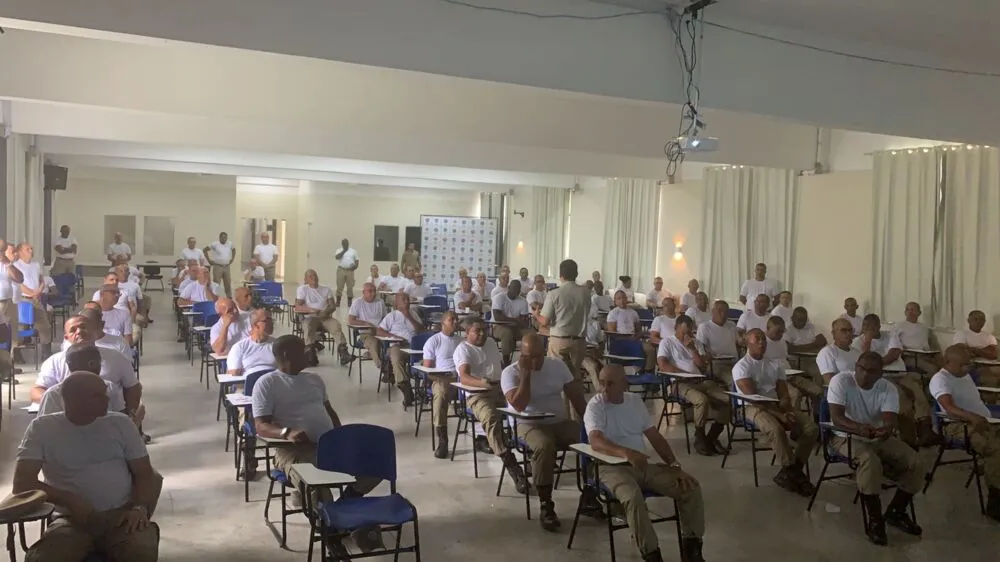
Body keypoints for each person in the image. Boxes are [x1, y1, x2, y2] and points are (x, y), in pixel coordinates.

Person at [251, 335, 383, 554]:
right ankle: (332, 535)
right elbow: (261, 426)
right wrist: (286, 432)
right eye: (303, 350)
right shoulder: (267, 383)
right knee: (315, 480)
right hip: (293, 451)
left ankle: (339, 512)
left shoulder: (314, 379)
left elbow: (329, 411)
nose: (308, 353)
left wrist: (341, 436)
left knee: (373, 464)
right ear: (287, 356)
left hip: (328, 445)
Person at [14, 372, 160, 562]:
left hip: (121, 516)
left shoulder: (121, 424)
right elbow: (22, 483)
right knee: (44, 558)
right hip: (70, 519)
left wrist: (140, 508)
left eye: (105, 393)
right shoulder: (42, 429)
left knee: (140, 552)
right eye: (97, 396)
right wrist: (67, 499)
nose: (106, 399)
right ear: (73, 400)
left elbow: (144, 473)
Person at [586, 364, 706, 562]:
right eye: (602, 383)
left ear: (624, 384)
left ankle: (692, 549)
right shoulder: (596, 405)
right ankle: (651, 554)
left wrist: (675, 466)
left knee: (690, 486)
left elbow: (655, 437)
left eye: (610, 383)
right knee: (633, 497)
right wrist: (626, 453)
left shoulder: (634, 402)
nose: (604, 388)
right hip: (609, 467)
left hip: (640, 464)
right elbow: (595, 441)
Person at [828, 352, 925, 544]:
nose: (864, 374)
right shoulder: (840, 381)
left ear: (881, 373)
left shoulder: (888, 388)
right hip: (845, 436)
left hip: (876, 436)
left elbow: (890, 419)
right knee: (869, 461)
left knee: (917, 463)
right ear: (855, 366)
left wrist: (887, 429)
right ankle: (875, 518)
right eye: (861, 368)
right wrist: (859, 428)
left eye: (871, 371)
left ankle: (897, 510)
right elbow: (837, 418)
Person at [501, 333, 587, 531]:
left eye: (538, 356)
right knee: (544, 445)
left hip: (557, 421)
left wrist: (591, 425)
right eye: (529, 356)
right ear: (520, 354)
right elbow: (520, 405)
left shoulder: (557, 366)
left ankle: (591, 492)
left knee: (590, 439)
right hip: (526, 424)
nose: (535, 361)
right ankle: (546, 503)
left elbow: (576, 398)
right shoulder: (510, 373)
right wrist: (525, 376)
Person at [733, 329, 818, 496]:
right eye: (757, 339)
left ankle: (791, 472)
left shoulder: (774, 364)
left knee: (811, 427)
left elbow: (783, 393)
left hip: (775, 404)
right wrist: (780, 415)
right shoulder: (741, 367)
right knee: (775, 429)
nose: (762, 342)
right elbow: (755, 398)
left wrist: (787, 410)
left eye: (763, 339)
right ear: (747, 343)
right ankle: (794, 473)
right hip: (751, 407)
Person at [452, 316, 528, 486]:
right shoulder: (463, 349)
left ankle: (528, 451)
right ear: (467, 333)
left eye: (484, 330)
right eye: (476, 331)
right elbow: (464, 377)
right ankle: (510, 462)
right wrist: (482, 383)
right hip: (477, 393)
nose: (481, 334)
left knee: (523, 409)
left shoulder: (492, 343)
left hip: (499, 388)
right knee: (491, 417)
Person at [930, 345, 1000, 522]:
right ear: (948, 362)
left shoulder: (964, 375)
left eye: (968, 365)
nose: (966, 369)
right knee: (995, 449)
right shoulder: (940, 380)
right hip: (957, 425)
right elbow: (949, 408)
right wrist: (972, 417)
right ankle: (995, 502)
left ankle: (990, 469)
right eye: (962, 365)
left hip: (984, 420)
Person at [852, 314, 938, 447]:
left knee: (918, 393)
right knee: (902, 398)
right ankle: (908, 438)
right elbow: (865, 362)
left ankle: (925, 428)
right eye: (865, 326)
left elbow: (894, 354)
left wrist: (876, 363)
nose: (868, 329)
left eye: (872, 326)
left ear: (879, 326)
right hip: (882, 377)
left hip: (900, 374)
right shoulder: (857, 342)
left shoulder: (890, 335)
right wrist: (867, 343)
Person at [657, 315, 730, 455]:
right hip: (680, 383)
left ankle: (712, 437)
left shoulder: (695, 343)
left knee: (728, 401)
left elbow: (703, 366)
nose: (686, 335)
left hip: (701, 381)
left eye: (689, 332)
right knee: (701, 400)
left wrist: (692, 349)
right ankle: (700, 437)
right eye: (683, 332)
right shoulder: (666, 342)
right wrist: (685, 374)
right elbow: (663, 365)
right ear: (676, 328)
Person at [533, 259, 590, 420]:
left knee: (558, 379)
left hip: (559, 340)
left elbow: (545, 321)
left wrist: (536, 315)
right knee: (575, 380)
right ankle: (578, 419)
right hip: (579, 341)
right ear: (577, 274)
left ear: (561, 275)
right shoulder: (585, 292)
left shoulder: (554, 293)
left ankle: (562, 418)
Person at [421, 311, 462, 458]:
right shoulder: (434, 341)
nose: (455, 322)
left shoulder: (461, 341)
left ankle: (481, 437)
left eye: (457, 320)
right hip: (441, 378)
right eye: (452, 320)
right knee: (440, 393)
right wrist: (442, 379)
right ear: (443, 323)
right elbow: (428, 371)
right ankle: (443, 439)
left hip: (460, 378)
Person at [295, 269, 351, 366]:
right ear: (306, 279)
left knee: (336, 325)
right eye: (311, 276)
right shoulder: (303, 289)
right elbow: (298, 306)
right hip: (310, 317)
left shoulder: (326, 289)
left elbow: (332, 306)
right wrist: (312, 310)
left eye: (315, 275)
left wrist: (325, 312)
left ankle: (343, 353)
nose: (314, 278)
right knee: (308, 326)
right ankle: (310, 354)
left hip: (325, 317)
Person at [377, 293, 423, 407]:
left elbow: (421, 331)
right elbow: (379, 331)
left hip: (414, 346)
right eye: (404, 300)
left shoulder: (414, 314)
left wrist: (409, 317)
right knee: (396, 357)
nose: (407, 301)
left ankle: (423, 389)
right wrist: (393, 337)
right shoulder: (391, 316)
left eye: (408, 299)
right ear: (396, 303)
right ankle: (405, 386)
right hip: (398, 345)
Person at [14, 243, 53, 358]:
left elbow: (41, 279)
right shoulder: (16, 265)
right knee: (21, 328)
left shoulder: (36, 265)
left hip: (36, 300)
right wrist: (32, 293)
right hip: (23, 299)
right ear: (20, 252)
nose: (31, 251)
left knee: (45, 326)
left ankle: (46, 354)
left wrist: (39, 291)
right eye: (27, 249)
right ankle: (16, 354)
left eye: (31, 248)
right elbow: (19, 284)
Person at [784, 306, 826, 410]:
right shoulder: (787, 329)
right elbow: (790, 349)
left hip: (810, 360)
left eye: (804, 319)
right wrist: (812, 345)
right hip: (793, 361)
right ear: (792, 318)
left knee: (819, 372)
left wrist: (799, 347)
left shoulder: (811, 326)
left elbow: (822, 341)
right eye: (799, 319)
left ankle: (817, 405)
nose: (801, 322)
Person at [953, 309, 1000, 398]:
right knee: (992, 379)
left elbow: (993, 354)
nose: (979, 322)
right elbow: (964, 353)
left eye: (982, 320)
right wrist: (984, 350)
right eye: (976, 319)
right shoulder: (961, 334)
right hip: (972, 366)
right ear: (968, 320)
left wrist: (974, 349)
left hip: (989, 365)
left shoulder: (989, 337)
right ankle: (985, 402)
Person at [695, 300, 739, 385]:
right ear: (713, 311)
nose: (723, 314)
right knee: (734, 380)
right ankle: (733, 398)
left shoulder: (732, 325)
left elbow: (739, 342)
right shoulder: (705, 327)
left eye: (726, 312)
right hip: (716, 364)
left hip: (734, 362)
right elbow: (701, 348)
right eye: (720, 311)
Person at [491, 280, 533, 364]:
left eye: (518, 289)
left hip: (516, 327)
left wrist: (513, 321)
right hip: (498, 326)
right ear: (509, 288)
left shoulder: (523, 301)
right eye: (514, 288)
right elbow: (498, 317)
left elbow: (524, 322)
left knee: (532, 334)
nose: (516, 291)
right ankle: (506, 362)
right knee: (507, 333)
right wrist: (516, 320)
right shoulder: (499, 297)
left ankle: (530, 358)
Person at [347, 282, 387, 373]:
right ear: (363, 292)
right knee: (373, 342)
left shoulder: (380, 302)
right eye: (370, 291)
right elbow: (351, 320)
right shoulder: (357, 302)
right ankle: (382, 366)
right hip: (366, 333)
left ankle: (386, 365)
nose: (373, 293)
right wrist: (366, 324)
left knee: (391, 344)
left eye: (374, 291)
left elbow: (385, 318)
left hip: (380, 331)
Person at [0, 240, 24, 378]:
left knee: (11, 336)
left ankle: (8, 369)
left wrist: (7, 263)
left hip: (8, 303)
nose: (1, 253)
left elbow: (19, 279)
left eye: (3, 251)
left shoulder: (7, 264)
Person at [227, 310, 277, 376]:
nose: (271, 324)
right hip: (250, 383)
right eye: (267, 320)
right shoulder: (240, 347)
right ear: (256, 325)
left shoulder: (277, 344)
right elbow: (234, 373)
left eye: (271, 320)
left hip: (273, 382)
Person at [894, 301, 939, 373]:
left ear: (919, 313)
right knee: (933, 369)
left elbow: (925, 344)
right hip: (909, 356)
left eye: (912, 310)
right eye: (907, 310)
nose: (910, 312)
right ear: (905, 312)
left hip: (924, 355)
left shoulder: (924, 327)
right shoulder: (899, 326)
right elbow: (895, 343)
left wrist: (928, 351)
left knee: (943, 365)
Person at [817, 318, 862, 384]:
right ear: (833, 333)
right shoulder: (827, 352)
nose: (848, 333)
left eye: (850, 330)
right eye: (844, 330)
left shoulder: (857, 353)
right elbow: (829, 381)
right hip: (840, 392)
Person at [204, 231, 234, 297]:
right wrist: (209, 260)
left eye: (225, 238)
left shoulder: (230, 244)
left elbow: (234, 249)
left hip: (226, 267)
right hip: (218, 267)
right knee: (216, 283)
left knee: (228, 283)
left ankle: (229, 298)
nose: (224, 239)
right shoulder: (215, 244)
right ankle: (215, 298)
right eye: (222, 237)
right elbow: (205, 250)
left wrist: (232, 259)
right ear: (219, 238)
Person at [334, 238, 360, 306]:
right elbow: (337, 257)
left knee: (350, 287)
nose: (345, 244)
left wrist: (355, 267)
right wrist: (344, 251)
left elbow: (357, 261)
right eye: (344, 243)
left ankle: (349, 302)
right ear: (342, 244)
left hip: (350, 271)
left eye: (346, 243)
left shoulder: (353, 251)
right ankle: (338, 302)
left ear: (348, 244)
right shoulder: (339, 250)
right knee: (339, 286)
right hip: (341, 269)